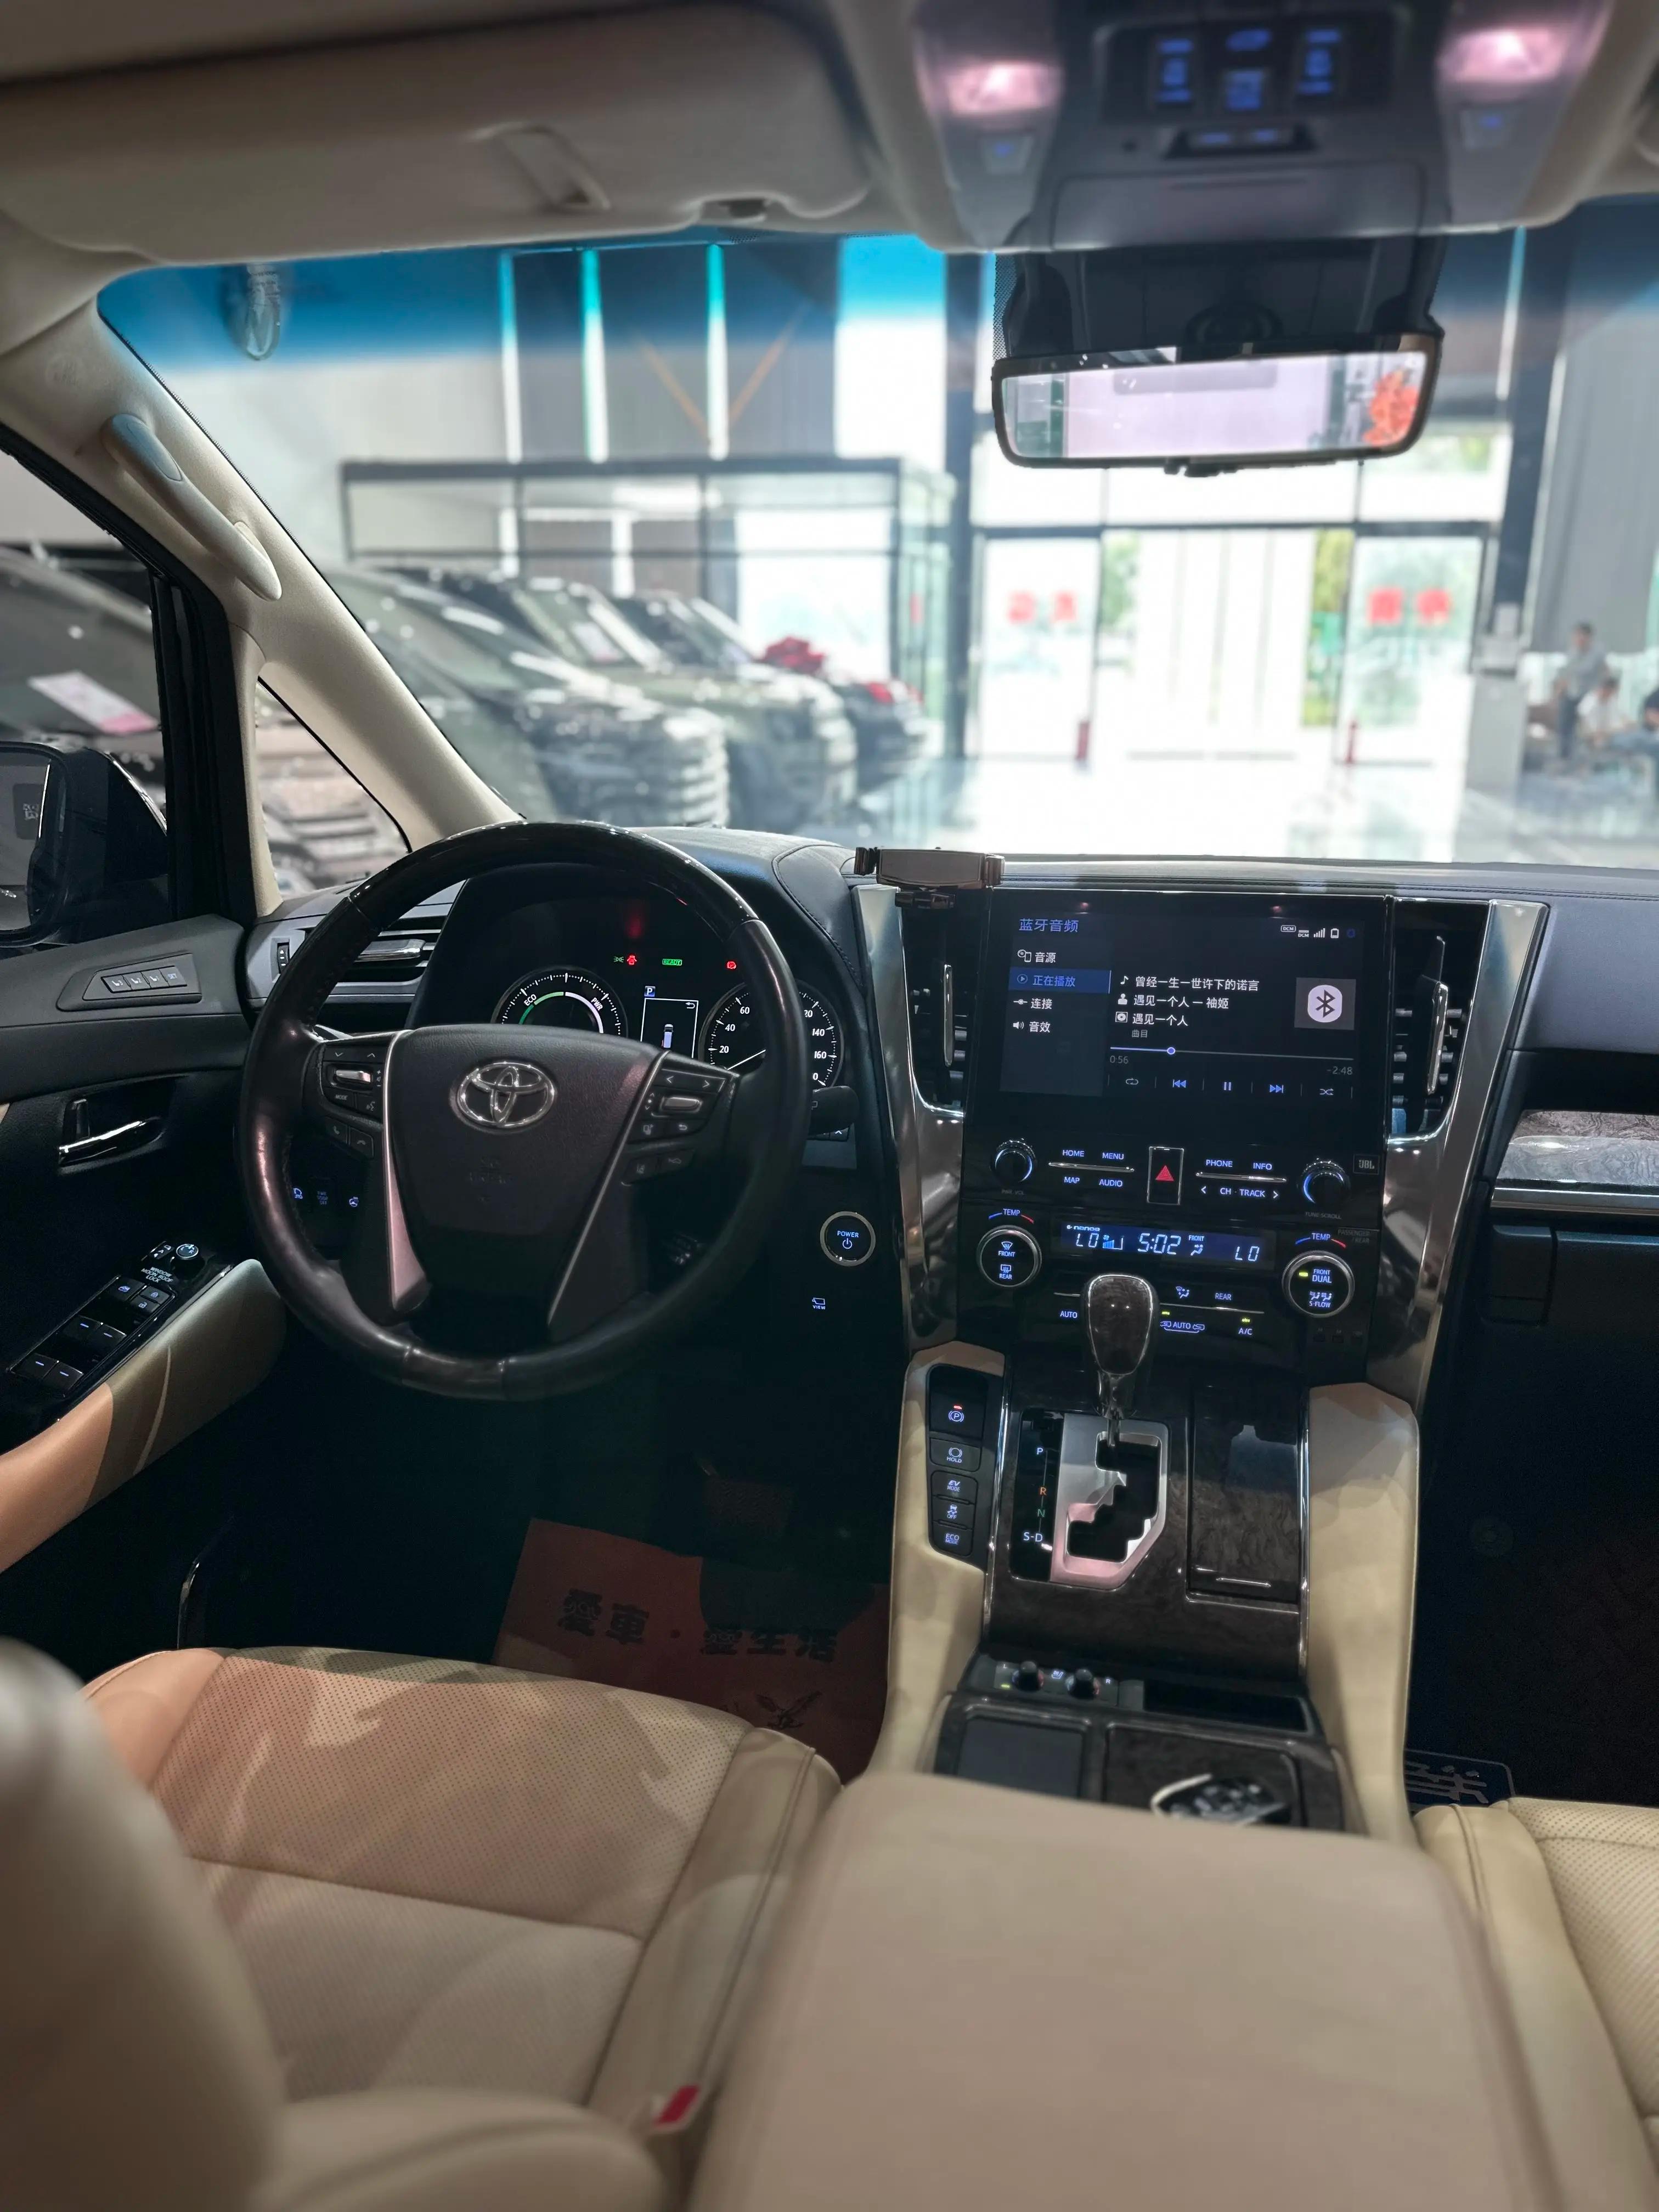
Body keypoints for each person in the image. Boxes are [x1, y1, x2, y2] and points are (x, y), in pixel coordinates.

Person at [1554, 621, 1611, 761]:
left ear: (1589, 637)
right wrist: (1559, 691)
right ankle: (1564, 757)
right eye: (1577, 636)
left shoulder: (1598, 653)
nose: (1579, 639)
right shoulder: (1572, 651)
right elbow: (1567, 673)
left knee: (1586, 727)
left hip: (1589, 694)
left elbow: (1605, 672)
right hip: (1571, 693)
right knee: (1564, 725)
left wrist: (1603, 691)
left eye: (1582, 636)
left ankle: (1585, 758)